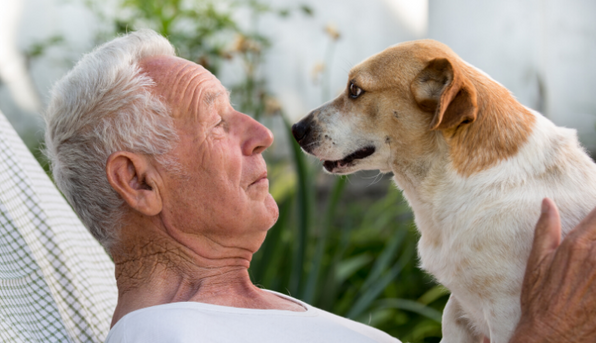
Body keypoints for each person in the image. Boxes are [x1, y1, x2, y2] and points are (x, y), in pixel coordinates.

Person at [43, 29, 596, 342]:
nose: (261, 133)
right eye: (217, 121)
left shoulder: (251, 314)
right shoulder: (168, 336)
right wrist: (547, 333)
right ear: (137, 181)